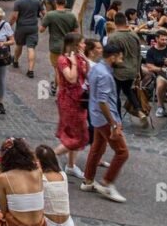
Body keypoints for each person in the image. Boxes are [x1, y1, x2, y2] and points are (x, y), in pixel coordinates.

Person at [80, 43, 129, 203]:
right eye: (120, 56)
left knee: (97, 147)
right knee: (122, 153)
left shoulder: (97, 69)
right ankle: (107, 184)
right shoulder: (106, 75)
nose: (122, 59)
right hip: (105, 119)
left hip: (96, 116)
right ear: (113, 56)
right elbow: (103, 101)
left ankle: (88, 180)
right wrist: (114, 124)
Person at [0, 137, 47, 226]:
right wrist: (22, 147)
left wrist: (1, 154)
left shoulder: (3, 178)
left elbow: (4, 212)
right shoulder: (38, 171)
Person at [55, 32, 90, 178]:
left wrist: (85, 60)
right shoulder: (64, 59)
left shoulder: (79, 57)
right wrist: (75, 62)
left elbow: (87, 73)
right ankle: (49, 156)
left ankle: (70, 165)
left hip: (79, 99)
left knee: (75, 132)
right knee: (79, 136)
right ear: (75, 44)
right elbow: (71, 78)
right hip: (69, 100)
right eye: (82, 42)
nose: (84, 45)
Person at [109, 13, 149, 128]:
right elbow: (138, 54)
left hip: (119, 70)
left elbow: (111, 55)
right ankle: (139, 110)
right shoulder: (134, 35)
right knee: (128, 90)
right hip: (132, 69)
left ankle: (118, 120)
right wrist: (137, 71)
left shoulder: (113, 37)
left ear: (115, 22)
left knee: (115, 94)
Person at [40, 0, 79, 95]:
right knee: (66, 68)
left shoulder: (50, 15)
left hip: (55, 46)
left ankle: (60, 91)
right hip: (69, 47)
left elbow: (41, 30)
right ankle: (55, 86)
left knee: (58, 70)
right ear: (65, 2)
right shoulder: (71, 15)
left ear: (55, 2)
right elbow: (76, 32)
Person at [36, 145, 74, 226]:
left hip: (49, 225)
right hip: (68, 224)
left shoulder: (40, 177)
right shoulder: (63, 175)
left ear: (38, 161)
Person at [10, 0, 43, 79]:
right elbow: (44, 13)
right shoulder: (37, 1)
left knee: (19, 45)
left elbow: (14, 16)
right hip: (33, 27)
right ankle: (30, 70)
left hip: (21, 27)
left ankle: (15, 61)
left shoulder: (18, 2)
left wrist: (9, 25)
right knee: (31, 47)